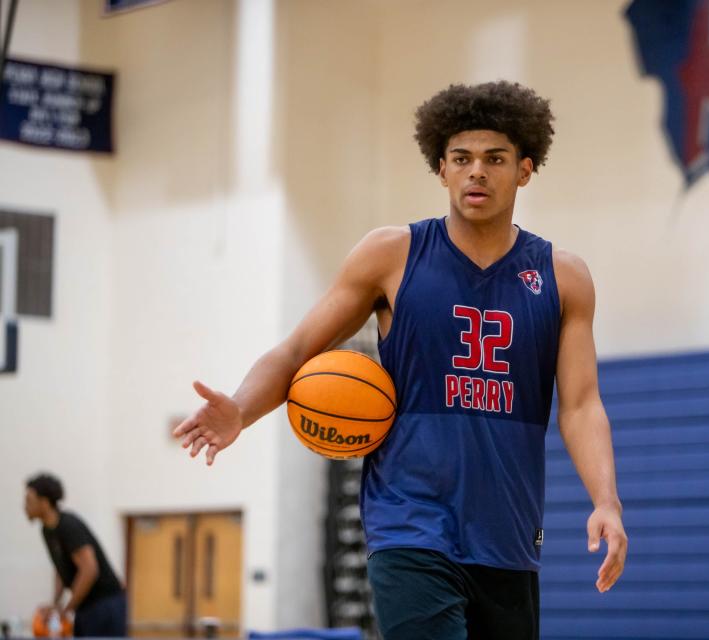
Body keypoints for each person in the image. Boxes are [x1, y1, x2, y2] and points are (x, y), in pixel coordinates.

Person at [174, 80, 627, 639]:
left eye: (495, 159)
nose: (476, 172)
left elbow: (581, 405)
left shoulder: (564, 277)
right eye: (461, 159)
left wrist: (606, 500)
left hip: (507, 533)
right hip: (410, 525)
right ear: (441, 169)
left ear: (526, 169)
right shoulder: (392, 256)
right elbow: (296, 352)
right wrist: (240, 410)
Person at [24, 473, 127, 637]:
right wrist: (55, 604)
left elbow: (89, 569)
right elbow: (60, 568)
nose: (25, 506)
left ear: (44, 502)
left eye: (29, 500)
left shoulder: (68, 525)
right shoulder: (47, 531)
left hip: (105, 605)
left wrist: (67, 609)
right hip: (85, 606)